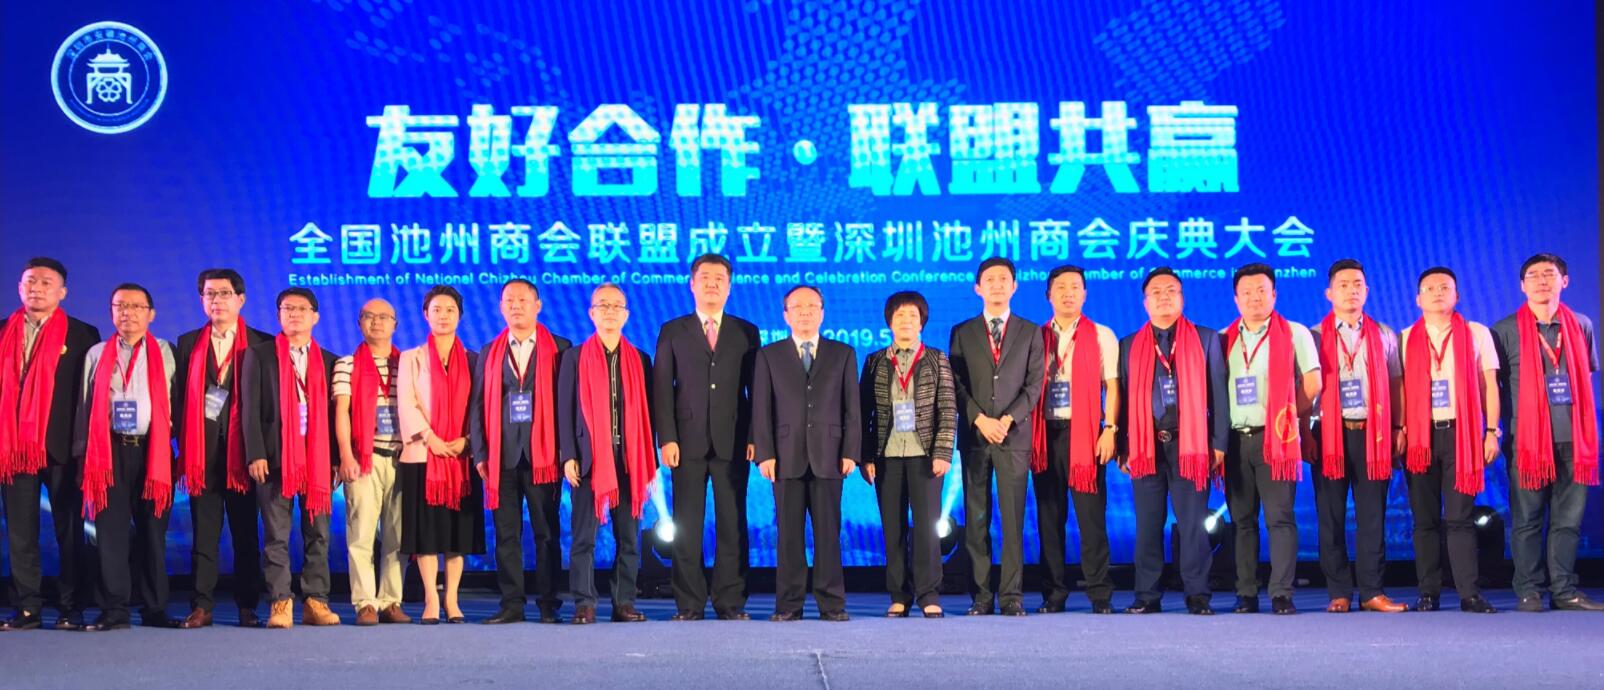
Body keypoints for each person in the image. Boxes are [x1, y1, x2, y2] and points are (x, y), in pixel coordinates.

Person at [1490, 253, 1603, 612]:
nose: (1542, 281)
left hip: (1575, 439)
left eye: (1549, 274)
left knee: (1568, 522)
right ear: (1522, 285)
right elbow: (1494, 387)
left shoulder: (1581, 324)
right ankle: (1529, 590)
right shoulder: (1504, 330)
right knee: (1527, 521)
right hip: (1527, 442)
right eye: (1534, 275)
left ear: (1564, 281)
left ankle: (1565, 590)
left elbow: (1586, 376)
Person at [652, 253, 760, 621]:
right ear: (692, 284)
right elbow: (662, 389)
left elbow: (755, 389)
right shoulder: (673, 330)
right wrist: (667, 438)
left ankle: (730, 601)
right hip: (686, 442)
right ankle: (689, 602)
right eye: (705, 278)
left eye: (719, 279)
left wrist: (754, 435)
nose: (712, 284)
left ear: (729, 287)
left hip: (733, 441)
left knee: (732, 523)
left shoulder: (746, 332)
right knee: (687, 524)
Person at [1118, 267, 1227, 616]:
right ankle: (1146, 595)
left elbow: (1219, 394)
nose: (1164, 297)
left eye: (1171, 291)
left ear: (1182, 298)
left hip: (1191, 445)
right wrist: (1123, 446)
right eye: (1156, 292)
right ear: (1145, 302)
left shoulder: (1206, 339)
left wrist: (1219, 442)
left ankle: (1198, 594)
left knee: (1193, 524)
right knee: (1148, 525)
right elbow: (1122, 399)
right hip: (1146, 446)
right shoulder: (1128, 345)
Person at [0, 257, 100, 632]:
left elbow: (89, 396)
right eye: (30, 281)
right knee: (20, 533)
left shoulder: (83, 334)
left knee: (69, 531)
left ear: (62, 292)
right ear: (19, 287)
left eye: (46, 282)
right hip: (13, 449)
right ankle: (27, 607)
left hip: (62, 447)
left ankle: (71, 607)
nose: (37, 288)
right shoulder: (3, 331)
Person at [752, 285, 860, 622]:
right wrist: (765, 453)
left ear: (822, 313)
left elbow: (852, 409)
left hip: (830, 455)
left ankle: (832, 603)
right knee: (788, 536)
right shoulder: (769, 355)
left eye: (812, 306)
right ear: (786, 315)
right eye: (797, 307)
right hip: (785, 457)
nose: (805, 312)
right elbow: (761, 409)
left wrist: (851, 452)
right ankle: (789, 604)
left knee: (829, 535)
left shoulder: (843, 353)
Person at [74, 283, 178, 631]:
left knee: (153, 533)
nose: (127, 313)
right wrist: (82, 456)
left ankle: (155, 608)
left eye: (135, 306)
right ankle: (114, 609)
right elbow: (84, 407)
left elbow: (179, 402)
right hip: (108, 452)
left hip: (153, 451)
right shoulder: (96, 354)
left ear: (151, 314)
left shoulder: (166, 351)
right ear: (111, 312)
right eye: (119, 306)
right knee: (110, 534)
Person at [1221, 263, 1321, 615]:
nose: (1254, 298)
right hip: (1236, 440)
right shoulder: (1223, 338)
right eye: (1246, 292)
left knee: (1280, 518)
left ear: (1274, 294)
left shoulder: (1295, 333)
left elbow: (1313, 384)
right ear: (1236, 299)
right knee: (1242, 521)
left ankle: (1281, 593)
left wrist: (1287, 417)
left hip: (1277, 440)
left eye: (1261, 291)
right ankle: (1246, 593)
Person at [1309, 260, 1408, 613]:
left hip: (1374, 434)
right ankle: (1338, 591)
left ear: (1367, 291)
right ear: (1329, 293)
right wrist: (1305, 430)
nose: (1351, 290)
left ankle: (1372, 591)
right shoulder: (1313, 336)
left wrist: (1399, 427)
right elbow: (1304, 387)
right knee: (1330, 516)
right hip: (1328, 434)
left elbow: (1396, 382)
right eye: (1343, 284)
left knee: (1372, 517)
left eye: (1357, 284)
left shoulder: (1384, 334)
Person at [172, 268, 269, 628]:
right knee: (204, 536)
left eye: (224, 293)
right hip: (203, 455)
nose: (217, 300)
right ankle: (202, 605)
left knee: (246, 536)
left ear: (240, 299)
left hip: (244, 455)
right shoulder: (187, 343)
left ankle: (247, 606)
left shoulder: (261, 343)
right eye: (209, 294)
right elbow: (179, 399)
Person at [1401, 267, 1500, 614]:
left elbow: (1489, 386)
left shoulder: (1476, 333)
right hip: (1420, 437)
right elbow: (1400, 391)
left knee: (1460, 518)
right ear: (1418, 299)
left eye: (1445, 287)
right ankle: (1428, 593)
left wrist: (1491, 431)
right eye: (1429, 288)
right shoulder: (1405, 338)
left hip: (1463, 434)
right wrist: (1401, 430)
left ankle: (1469, 594)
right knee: (1425, 520)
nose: (1437, 292)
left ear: (1457, 295)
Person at [948, 257, 1043, 616]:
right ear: (978, 288)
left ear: (1014, 286)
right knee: (976, 520)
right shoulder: (962, 331)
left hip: (1013, 436)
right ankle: (981, 596)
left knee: (1013, 519)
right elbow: (956, 384)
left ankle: (1012, 595)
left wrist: (1006, 419)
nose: (997, 285)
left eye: (1004, 279)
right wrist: (978, 419)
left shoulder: (1030, 331)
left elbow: (1034, 385)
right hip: (976, 438)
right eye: (990, 280)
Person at [241, 287, 341, 629]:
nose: (294, 314)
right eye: (287, 308)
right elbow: (249, 409)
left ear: (315, 316)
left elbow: (335, 416)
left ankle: (316, 601)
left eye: (301, 309)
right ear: (279, 315)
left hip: (317, 460)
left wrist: (336, 458)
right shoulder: (260, 355)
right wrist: (255, 452)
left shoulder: (330, 361)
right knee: (276, 535)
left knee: (319, 535)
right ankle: (280, 602)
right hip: (274, 457)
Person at [472, 280, 571, 625]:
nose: (516, 305)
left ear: (537, 305)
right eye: (509, 300)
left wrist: (567, 452)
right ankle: (511, 604)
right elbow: (478, 406)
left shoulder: (560, 348)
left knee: (547, 534)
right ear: (501, 307)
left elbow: (568, 404)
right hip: (501, 458)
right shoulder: (490, 351)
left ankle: (548, 604)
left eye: (523, 300)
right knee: (506, 535)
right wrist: (480, 453)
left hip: (545, 456)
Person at [558, 283, 656, 624]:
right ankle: (584, 603)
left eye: (617, 306)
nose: (610, 311)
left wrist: (649, 460)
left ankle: (623, 602)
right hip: (588, 461)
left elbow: (650, 413)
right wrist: (568, 455)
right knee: (584, 538)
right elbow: (564, 410)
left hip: (629, 461)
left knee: (629, 539)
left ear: (626, 315)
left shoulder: (640, 359)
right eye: (603, 305)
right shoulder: (573, 358)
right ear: (591, 313)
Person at [1028, 266, 1119, 614]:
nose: (1068, 293)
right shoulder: (1034, 337)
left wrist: (1110, 428)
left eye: (1075, 287)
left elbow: (1112, 386)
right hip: (1045, 435)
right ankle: (1053, 595)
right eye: (1061, 287)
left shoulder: (1102, 335)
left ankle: (1100, 593)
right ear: (1048, 295)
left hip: (1087, 435)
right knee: (1050, 521)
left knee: (1091, 520)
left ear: (1085, 294)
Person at [859, 291, 956, 618]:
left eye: (912, 316)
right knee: (893, 527)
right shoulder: (874, 361)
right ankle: (899, 594)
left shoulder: (937, 359)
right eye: (899, 315)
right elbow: (864, 413)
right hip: (886, 456)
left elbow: (948, 408)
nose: (906, 321)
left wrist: (943, 452)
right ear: (889, 321)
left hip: (925, 456)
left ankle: (929, 594)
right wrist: (866, 456)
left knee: (927, 529)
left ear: (922, 322)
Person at [397, 285, 484, 625]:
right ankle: (431, 599)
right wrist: (430, 437)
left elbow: (480, 407)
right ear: (425, 315)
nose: (443, 315)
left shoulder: (475, 360)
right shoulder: (411, 357)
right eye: (436, 309)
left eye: (450, 310)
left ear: (460, 316)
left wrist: (467, 441)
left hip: (462, 457)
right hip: (423, 455)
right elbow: (407, 402)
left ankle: (452, 599)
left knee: (456, 535)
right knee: (427, 534)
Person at [333, 298, 411, 626]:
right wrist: (346, 455)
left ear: (395, 324)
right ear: (359, 323)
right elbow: (341, 412)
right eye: (368, 316)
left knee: (398, 536)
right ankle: (365, 602)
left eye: (383, 317)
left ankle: (391, 601)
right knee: (361, 534)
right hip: (364, 460)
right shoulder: (346, 364)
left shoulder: (408, 363)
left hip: (403, 459)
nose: (376, 322)